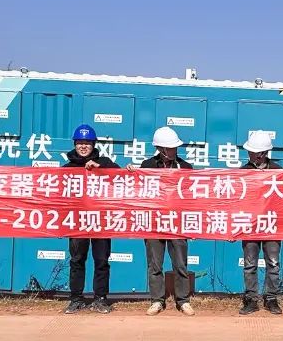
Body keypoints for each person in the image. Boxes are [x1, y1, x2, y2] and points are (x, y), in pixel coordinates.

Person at [127, 126, 195, 316]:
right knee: (155, 264)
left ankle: (183, 301)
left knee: (180, 264)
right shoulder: (147, 165)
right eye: (170, 147)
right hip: (153, 223)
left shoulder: (185, 167)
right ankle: (157, 300)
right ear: (160, 149)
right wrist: (132, 172)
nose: (174, 150)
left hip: (177, 223)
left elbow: (192, 196)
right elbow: (137, 190)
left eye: (175, 147)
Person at [238, 131, 283, 315]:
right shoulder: (243, 172)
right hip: (250, 225)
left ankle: (271, 298)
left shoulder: (278, 171)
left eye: (253, 151)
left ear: (262, 153)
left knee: (273, 263)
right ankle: (251, 299)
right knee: (250, 264)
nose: (250, 154)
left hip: (271, 224)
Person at [62, 124, 119, 314]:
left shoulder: (104, 162)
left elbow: (120, 177)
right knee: (77, 259)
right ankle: (76, 299)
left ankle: (100, 299)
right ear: (75, 144)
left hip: (101, 221)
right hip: (77, 221)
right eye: (80, 142)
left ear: (94, 144)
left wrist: (100, 168)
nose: (83, 146)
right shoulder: (67, 168)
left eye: (87, 143)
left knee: (101, 260)